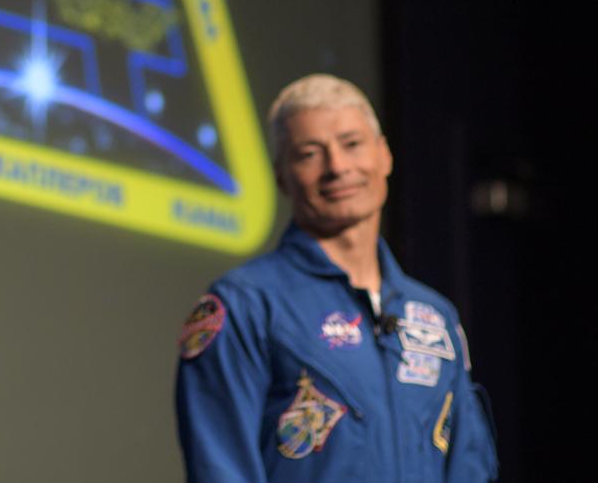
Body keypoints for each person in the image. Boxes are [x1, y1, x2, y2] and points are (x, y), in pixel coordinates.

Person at [174, 74, 497, 481]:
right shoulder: (245, 305)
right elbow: (221, 468)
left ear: (384, 155)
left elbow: (470, 465)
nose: (337, 167)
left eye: (352, 144)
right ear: (281, 176)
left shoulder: (435, 315)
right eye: (310, 154)